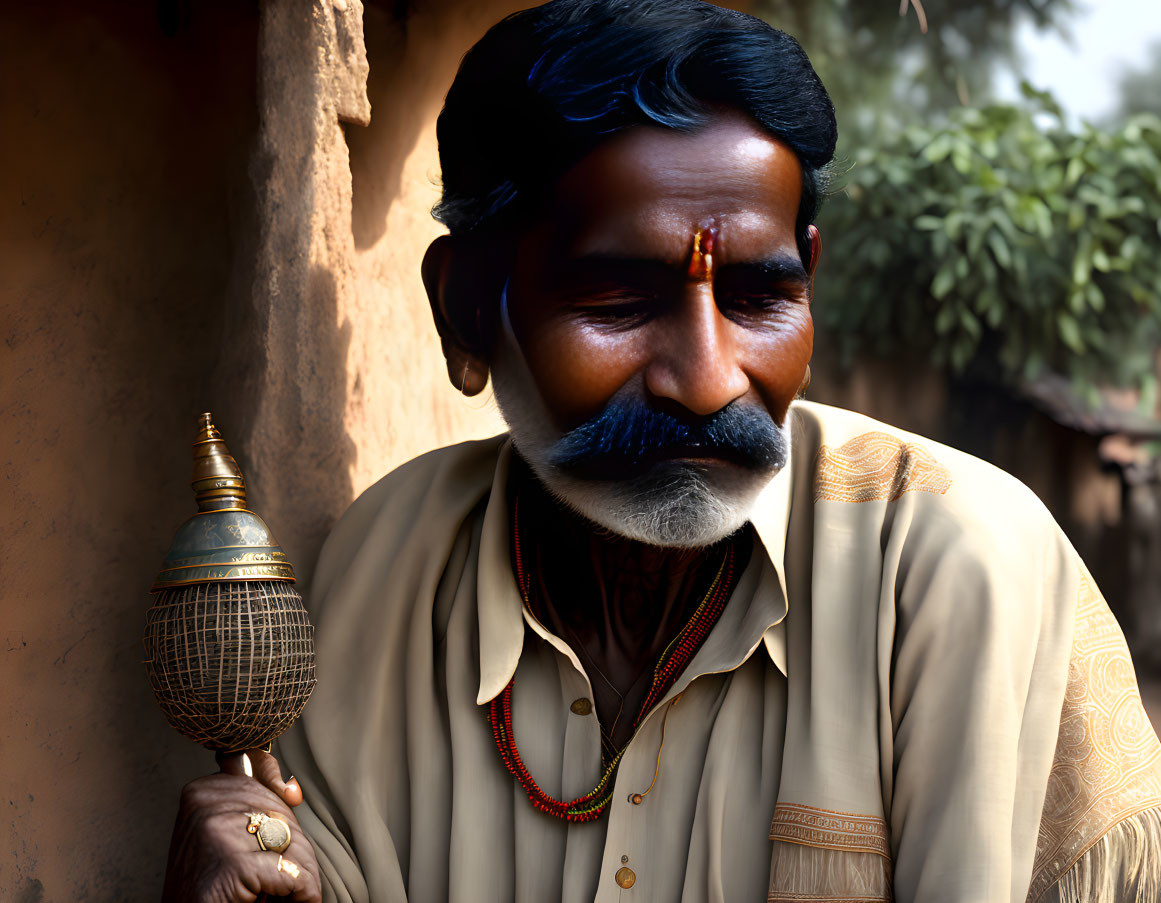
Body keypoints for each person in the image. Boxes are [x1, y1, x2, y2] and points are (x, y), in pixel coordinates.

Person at [161, 1, 1161, 901]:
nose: (708, 379)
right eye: (618, 303)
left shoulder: (951, 567)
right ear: (467, 310)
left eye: (760, 298)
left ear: (810, 277)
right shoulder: (386, 568)